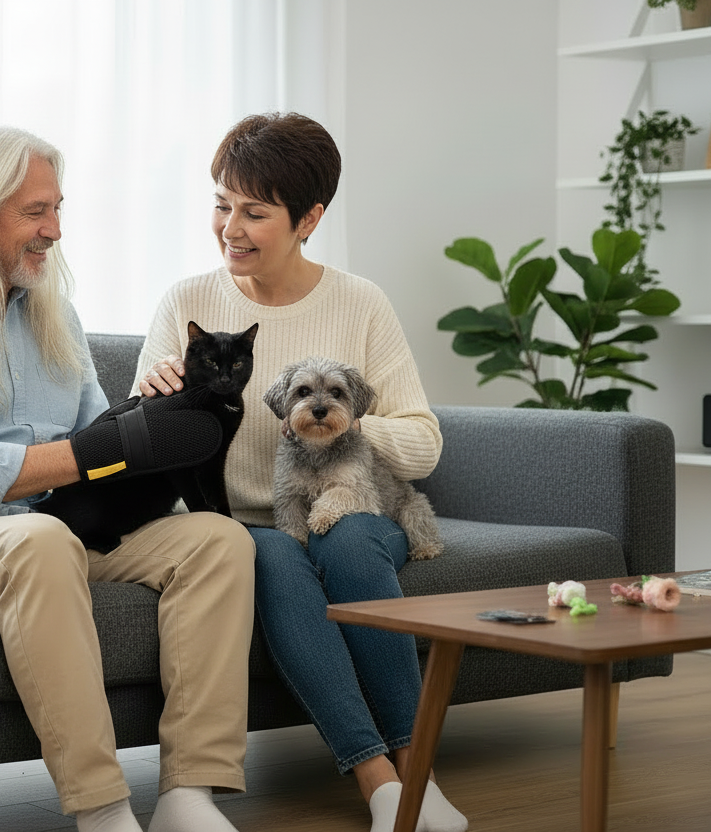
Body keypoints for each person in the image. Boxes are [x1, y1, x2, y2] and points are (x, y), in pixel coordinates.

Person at [0, 123, 255, 832]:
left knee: (216, 540)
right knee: (37, 542)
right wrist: (92, 453)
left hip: (53, 523)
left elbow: (97, 439)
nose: (55, 230)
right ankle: (103, 808)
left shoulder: (54, 313)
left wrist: (153, 418)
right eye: (36, 212)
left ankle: (191, 794)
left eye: (58, 209)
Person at [135, 112, 468, 832]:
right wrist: (157, 396)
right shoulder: (186, 303)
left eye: (254, 212)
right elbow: (140, 448)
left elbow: (423, 441)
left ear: (309, 218)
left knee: (347, 541)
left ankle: (420, 774)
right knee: (279, 557)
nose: (230, 228)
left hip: (359, 506)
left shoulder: (360, 302)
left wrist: (333, 420)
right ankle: (381, 783)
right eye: (222, 205)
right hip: (251, 528)